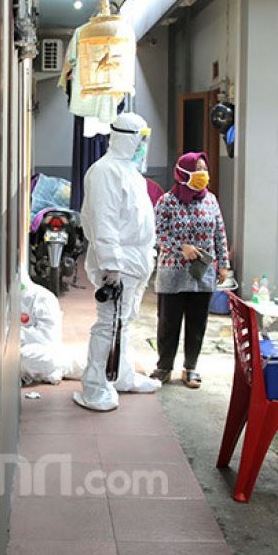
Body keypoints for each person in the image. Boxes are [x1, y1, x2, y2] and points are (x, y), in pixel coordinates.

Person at [72, 112, 161, 412]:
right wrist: (111, 266)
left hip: (135, 262)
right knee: (109, 324)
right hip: (118, 264)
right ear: (129, 138)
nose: (144, 145)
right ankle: (95, 386)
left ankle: (121, 375)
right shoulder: (105, 172)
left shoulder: (130, 171)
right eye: (142, 139)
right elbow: (104, 222)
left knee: (125, 322)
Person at [150, 152, 231, 388]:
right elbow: (158, 234)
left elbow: (219, 233)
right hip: (172, 273)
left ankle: (191, 368)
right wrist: (180, 247)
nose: (203, 175)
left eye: (205, 170)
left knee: (197, 322)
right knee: (168, 322)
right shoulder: (166, 201)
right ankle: (164, 367)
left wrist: (223, 264)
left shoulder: (211, 200)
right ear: (183, 172)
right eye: (197, 170)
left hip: (202, 272)